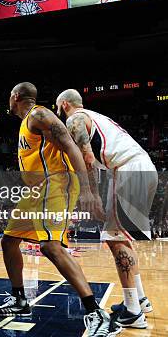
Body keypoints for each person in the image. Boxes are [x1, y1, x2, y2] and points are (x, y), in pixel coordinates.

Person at [0, 82, 117, 337]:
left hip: (57, 183)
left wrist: (89, 190)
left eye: (9, 97)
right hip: (36, 191)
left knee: (50, 247)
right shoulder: (27, 123)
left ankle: (97, 314)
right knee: (9, 241)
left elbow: (71, 145)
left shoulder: (39, 114)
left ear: (15, 97)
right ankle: (19, 300)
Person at [57, 88, 157, 329]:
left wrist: (90, 193)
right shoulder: (93, 117)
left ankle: (133, 311)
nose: (56, 111)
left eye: (57, 106)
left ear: (65, 104)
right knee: (121, 238)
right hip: (136, 169)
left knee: (115, 239)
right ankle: (138, 300)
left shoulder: (75, 119)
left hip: (129, 170)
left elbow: (87, 158)